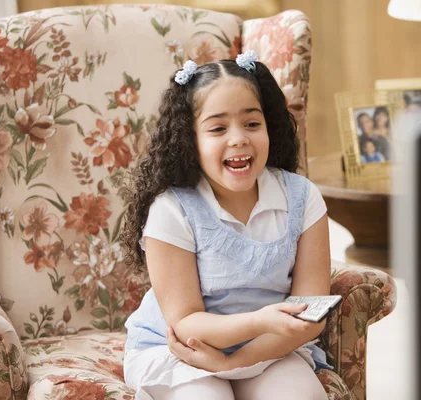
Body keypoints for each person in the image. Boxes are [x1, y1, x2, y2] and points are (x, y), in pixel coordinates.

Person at [120, 51, 331, 400]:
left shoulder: (302, 198)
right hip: (179, 349)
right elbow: (186, 322)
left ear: (269, 127)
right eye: (218, 128)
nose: (238, 139)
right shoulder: (172, 209)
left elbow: (312, 314)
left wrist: (237, 361)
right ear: (191, 140)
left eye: (252, 124)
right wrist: (261, 320)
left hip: (268, 347)